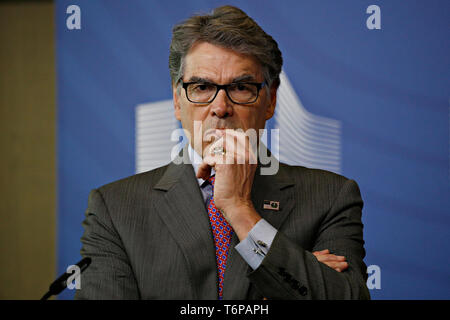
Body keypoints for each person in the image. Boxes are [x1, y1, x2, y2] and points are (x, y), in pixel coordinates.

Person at [74, 5, 370, 300]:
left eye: (241, 87)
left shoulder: (331, 197)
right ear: (178, 101)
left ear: (271, 100)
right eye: (202, 87)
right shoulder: (114, 209)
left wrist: (240, 209)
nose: (220, 107)